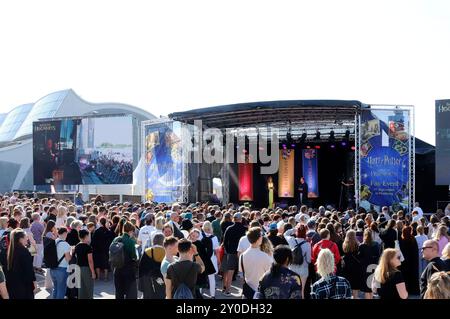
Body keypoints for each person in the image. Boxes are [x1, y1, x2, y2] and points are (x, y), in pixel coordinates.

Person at [239, 227, 273, 299]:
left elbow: (242, 272)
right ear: (258, 239)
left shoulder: (242, 256)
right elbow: (271, 274)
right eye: (261, 235)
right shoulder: (265, 256)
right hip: (262, 292)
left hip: (248, 292)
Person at [5, 229, 37, 299]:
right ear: (20, 239)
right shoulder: (24, 251)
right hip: (23, 286)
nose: (27, 238)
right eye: (26, 237)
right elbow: (29, 270)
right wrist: (34, 282)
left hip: (12, 285)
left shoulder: (11, 250)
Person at [111, 221, 138, 299]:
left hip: (117, 268)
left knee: (119, 291)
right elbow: (134, 256)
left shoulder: (116, 239)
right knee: (130, 292)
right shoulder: (130, 241)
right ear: (130, 231)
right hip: (128, 269)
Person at [221, 213, 247, 295]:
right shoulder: (244, 229)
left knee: (230, 272)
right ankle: (244, 292)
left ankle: (227, 290)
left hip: (231, 252)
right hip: (242, 253)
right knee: (244, 273)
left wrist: (228, 251)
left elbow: (224, 242)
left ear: (234, 219)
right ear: (241, 219)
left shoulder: (229, 228)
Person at [285, 224, 310, 298]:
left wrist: (294, 229)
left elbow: (285, 234)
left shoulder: (291, 240)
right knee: (301, 291)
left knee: (290, 290)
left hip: (292, 269)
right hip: (303, 270)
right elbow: (308, 260)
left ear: (297, 232)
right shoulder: (307, 244)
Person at [138, 233, 166, 299]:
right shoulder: (166, 252)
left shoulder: (147, 251)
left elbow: (141, 267)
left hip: (147, 280)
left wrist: (141, 285)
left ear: (153, 241)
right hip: (161, 280)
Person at [358, 228, 380, 299]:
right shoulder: (376, 244)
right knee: (372, 288)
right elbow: (378, 256)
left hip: (365, 268)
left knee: (367, 289)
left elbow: (359, 257)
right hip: (374, 267)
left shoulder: (361, 246)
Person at [50, 227, 72, 299]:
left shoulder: (53, 242)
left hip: (53, 268)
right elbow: (68, 258)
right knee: (61, 290)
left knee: (55, 288)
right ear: (65, 233)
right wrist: (72, 253)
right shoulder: (65, 244)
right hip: (62, 269)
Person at [73, 229, 95, 299]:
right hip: (86, 268)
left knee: (81, 289)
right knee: (89, 288)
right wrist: (93, 272)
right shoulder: (88, 247)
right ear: (86, 236)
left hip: (78, 268)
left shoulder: (77, 246)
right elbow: (90, 261)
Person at [91, 217, 115, 281]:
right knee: (106, 263)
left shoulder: (97, 231)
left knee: (97, 264)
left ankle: (98, 277)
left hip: (97, 250)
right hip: (106, 250)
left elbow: (93, 242)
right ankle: (106, 277)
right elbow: (112, 241)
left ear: (100, 222)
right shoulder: (108, 231)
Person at [398, 225, 419, 295]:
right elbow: (415, 251)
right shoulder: (413, 239)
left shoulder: (401, 240)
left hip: (404, 262)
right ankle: (413, 290)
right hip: (412, 262)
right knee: (413, 276)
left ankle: (405, 290)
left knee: (404, 277)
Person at [201, 221, 220, 298]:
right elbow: (216, 251)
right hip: (211, 259)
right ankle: (212, 295)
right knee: (211, 278)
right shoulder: (214, 238)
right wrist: (218, 260)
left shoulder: (200, 236)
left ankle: (200, 293)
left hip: (201, 259)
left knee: (201, 277)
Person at [341, 230, 361, 298]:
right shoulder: (357, 244)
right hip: (356, 266)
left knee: (348, 287)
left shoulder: (344, 243)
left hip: (347, 266)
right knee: (355, 289)